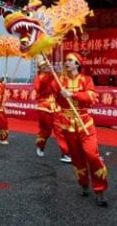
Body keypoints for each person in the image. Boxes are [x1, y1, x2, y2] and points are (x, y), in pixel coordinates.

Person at [52, 52, 109, 207]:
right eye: (66, 60)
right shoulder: (60, 80)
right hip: (67, 126)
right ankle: (83, 183)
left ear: (77, 64)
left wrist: (72, 94)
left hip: (85, 123)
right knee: (77, 158)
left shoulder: (86, 80)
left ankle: (99, 189)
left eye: (71, 60)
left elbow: (91, 97)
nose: (67, 62)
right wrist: (58, 89)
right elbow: (52, 92)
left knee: (91, 154)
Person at [33, 59, 70, 162]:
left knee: (60, 130)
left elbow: (58, 89)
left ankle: (65, 153)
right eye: (43, 65)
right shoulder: (38, 78)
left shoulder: (53, 76)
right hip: (44, 108)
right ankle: (40, 145)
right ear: (40, 68)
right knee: (46, 131)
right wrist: (51, 75)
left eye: (47, 65)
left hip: (56, 108)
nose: (46, 66)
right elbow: (41, 87)